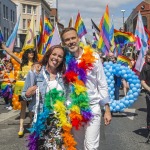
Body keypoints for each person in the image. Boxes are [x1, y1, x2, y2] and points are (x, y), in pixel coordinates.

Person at [61, 27, 112, 150]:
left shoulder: (94, 57)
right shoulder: (64, 61)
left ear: (78, 39)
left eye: (73, 38)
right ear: (64, 43)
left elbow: (102, 83)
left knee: (90, 146)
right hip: (73, 109)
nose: (71, 41)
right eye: (67, 40)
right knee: (77, 145)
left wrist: (107, 109)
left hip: (92, 107)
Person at [22, 45, 68, 149]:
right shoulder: (35, 72)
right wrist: (27, 94)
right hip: (40, 120)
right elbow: (24, 94)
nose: (56, 58)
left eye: (60, 56)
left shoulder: (63, 75)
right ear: (48, 55)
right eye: (54, 54)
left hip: (58, 121)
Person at [1, 43, 38, 137]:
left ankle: (32, 124)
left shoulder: (36, 64)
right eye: (29, 52)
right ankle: (21, 127)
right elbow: (12, 54)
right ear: (26, 53)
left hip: (33, 89)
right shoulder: (22, 62)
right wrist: (4, 47)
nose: (31, 53)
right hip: (23, 88)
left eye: (32, 52)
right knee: (23, 108)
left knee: (32, 108)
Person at [140, 49, 150, 131]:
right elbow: (142, 82)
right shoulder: (146, 66)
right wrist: (149, 89)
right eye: (148, 55)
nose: (148, 57)